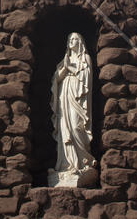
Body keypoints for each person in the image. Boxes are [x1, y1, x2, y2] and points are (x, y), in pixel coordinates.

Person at [49, 32, 97, 186]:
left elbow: (86, 79)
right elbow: (55, 79)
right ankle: (66, 166)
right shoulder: (65, 59)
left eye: (75, 39)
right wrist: (63, 71)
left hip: (78, 97)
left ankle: (83, 163)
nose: (71, 41)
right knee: (64, 129)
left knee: (76, 127)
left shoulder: (85, 59)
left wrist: (71, 68)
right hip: (65, 94)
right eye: (69, 39)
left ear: (81, 42)